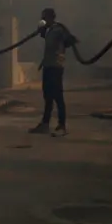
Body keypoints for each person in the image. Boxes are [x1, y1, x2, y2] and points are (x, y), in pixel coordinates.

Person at [29, 8, 76, 136]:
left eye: (44, 17)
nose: (43, 20)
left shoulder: (58, 30)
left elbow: (66, 41)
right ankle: (45, 124)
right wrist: (42, 32)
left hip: (56, 67)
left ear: (50, 17)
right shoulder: (50, 31)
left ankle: (62, 125)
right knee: (48, 96)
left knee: (58, 96)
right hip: (48, 66)